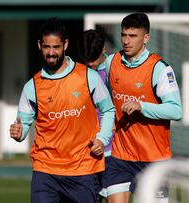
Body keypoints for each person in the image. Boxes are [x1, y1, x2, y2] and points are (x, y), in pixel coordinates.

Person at [9, 17, 115, 203]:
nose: (51, 53)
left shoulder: (88, 76)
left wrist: (102, 138)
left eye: (55, 47)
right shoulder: (32, 86)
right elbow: (23, 124)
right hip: (46, 170)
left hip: (83, 170)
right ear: (39, 45)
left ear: (65, 45)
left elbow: (108, 110)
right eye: (46, 47)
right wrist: (19, 132)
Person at [104, 13, 182, 203]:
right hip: (120, 156)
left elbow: (176, 111)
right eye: (124, 35)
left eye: (133, 36)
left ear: (146, 37)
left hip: (154, 159)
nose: (126, 41)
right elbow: (107, 104)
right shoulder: (111, 62)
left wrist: (142, 106)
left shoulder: (160, 69)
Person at [77, 29, 113, 200]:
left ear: (104, 49)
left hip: (114, 151)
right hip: (88, 152)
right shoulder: (79, 75)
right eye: (86, 60)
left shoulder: (116, 70)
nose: (90, 64)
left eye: (94, 59)